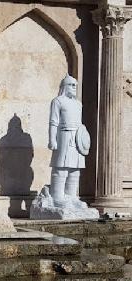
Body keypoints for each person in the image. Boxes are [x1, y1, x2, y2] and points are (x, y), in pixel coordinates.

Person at [48, 74, 90, 207]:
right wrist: (52, 140)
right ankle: (57, 196)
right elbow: (53, 122)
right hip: (64, 136)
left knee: (75, 169)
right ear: (64, 86)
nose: (74, 87)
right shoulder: (57, 101)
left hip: (77, 137)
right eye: (71, 85)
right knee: (61, 167)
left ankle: (71, 196)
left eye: (75, 85)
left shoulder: (78, 104)